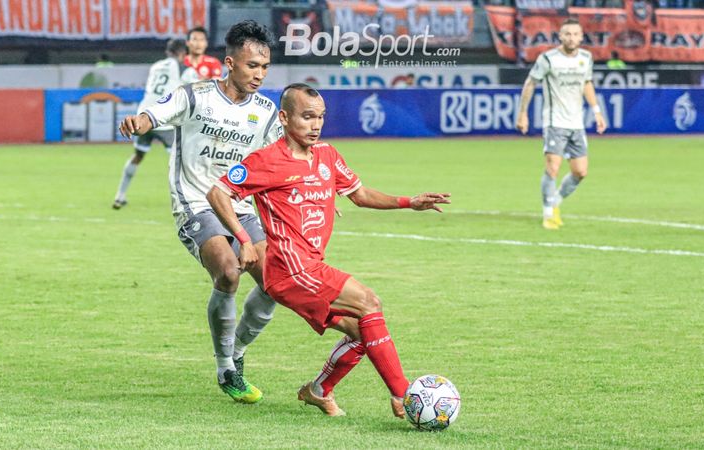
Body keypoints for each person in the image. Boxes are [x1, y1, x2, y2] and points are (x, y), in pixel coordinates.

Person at [206, 83, 451, 418]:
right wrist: (244, 240)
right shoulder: (266, 160)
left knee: (362, 331)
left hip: (310, 267)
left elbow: (360, 194)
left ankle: (319, 390)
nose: (316, 124)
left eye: (320, 117)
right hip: (290, 270)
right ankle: (404, 396)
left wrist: (409, 202)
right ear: (284, 117)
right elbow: (218, 193)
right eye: (307, 117)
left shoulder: (328, 156)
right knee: (369, 302)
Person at [117, 20, 283, 404]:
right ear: (229, 63)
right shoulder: (195, 96)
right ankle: (225, 365)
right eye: (251, 66)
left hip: (239, 206)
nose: (258, 74)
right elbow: (152, 116)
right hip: (195, 201)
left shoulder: (266, 112)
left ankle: (237, 350)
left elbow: (284, 161)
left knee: (276, 283)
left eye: (264, 67)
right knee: (228, 270)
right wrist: (137, 122)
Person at [515, 17, 607, 230]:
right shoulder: (548, 59)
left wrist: (597, 111)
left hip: (577, 123)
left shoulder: (586, 58)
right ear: (560, 36)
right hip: (554, 121)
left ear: (581, 37)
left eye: (575, 34)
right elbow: (530, 83)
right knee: (553, 167)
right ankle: (548, 213)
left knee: (580, 172)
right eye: (567, 34)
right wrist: (523, 114)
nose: (571, 37)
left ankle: (555, 200)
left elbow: (587, 83)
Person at [113, 39, 199, 209]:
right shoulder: (186, 70)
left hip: (143, 117)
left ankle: (119, 195)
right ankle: (186, 202)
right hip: (164, 119)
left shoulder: (155, 66)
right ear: (182, 54)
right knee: (180, 163)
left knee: (138, 156)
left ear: (168, 52)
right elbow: (194, 93)